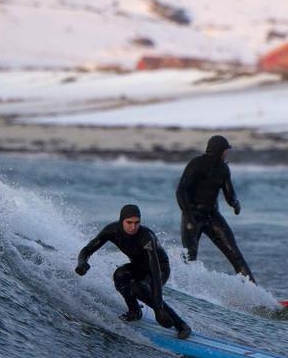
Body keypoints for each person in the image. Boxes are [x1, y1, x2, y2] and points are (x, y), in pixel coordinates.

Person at [75, 204, 191, 339]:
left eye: (137, 223)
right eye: (129, 222)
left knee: (138, 288)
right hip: (138, 266)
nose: (133, 226)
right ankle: (135, 311)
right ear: (121, 221)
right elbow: (87, 250)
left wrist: (158, 308)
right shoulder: (111, 231)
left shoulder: (146, 237)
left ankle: (182, 325)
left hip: (160, 268)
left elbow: (155, 271)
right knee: (119, 275)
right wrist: (82, 263)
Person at [176, 134, 255, 283]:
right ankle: (185, 290)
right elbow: (181, 191)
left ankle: (255, 294)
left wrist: (235, 203)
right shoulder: (196, 164)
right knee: (189, 257)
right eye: (225, 151)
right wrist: (187, 216)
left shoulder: (223, 169)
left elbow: (229, 192)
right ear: (218, 151)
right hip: (193, 216)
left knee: (235, 253)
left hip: (212, 216)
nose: (227, 154)